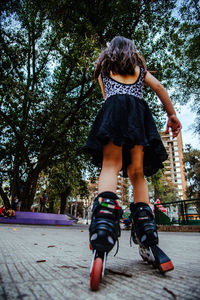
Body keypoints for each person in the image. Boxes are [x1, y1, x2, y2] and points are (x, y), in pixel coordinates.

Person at [84, 36, 181, 267]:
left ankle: (105, 223)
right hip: (137, 117)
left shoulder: (104, 70)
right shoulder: (140, 70)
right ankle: (146, 231)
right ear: (132, 51)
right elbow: (159, 88)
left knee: (110, 165)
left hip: (113, 113)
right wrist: (172, 115)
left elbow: (107, 96)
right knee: (137, 172)